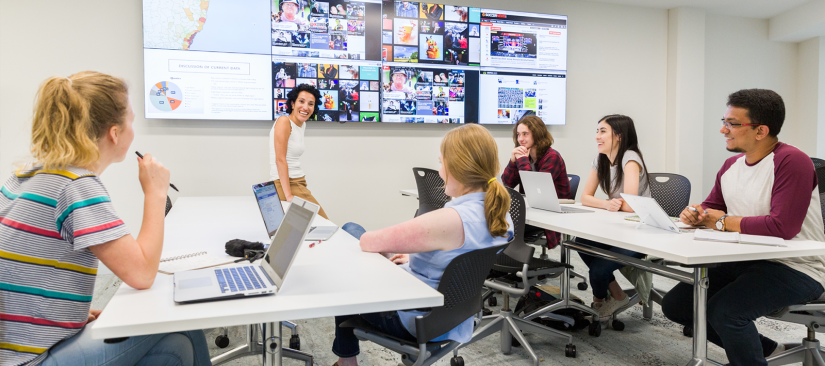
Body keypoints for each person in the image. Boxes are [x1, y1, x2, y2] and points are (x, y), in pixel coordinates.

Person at [0, 72, 211, 366]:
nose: (133, 130)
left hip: (16, 347)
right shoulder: (76, 185)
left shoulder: (26, 174)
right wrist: (156, 193)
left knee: (175, 348)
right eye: (131, 121)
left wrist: (65, 313)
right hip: (31, 361)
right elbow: (142, 275)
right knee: (179, 318)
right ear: (114, 133)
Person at [661, 89, 825, 366]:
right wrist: (695, 214)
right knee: (677, 305)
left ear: (761, 130)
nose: (723, 129)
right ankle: (764, 350)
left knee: (726, 312)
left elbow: (781, 226)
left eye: (732, 123)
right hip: (748, 258)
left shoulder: (792, 161)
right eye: (724, 120)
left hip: (797, 266)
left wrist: (721, 222)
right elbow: (712, 205)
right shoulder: (731, 165)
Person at [330, 124, 514, 366]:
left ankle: (347, 361)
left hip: (416, 319)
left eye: (441, 162)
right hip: (456, 315)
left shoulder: (450, 220)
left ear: (457, 167)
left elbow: (369, 241)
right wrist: (415, 259)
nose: (439, 171)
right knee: (355, 233)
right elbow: (459, 257)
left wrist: (387, 254)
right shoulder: (501, 214)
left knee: (351, 236)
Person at [579, 114, 651, 319]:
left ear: (618, 136)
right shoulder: (600, 159)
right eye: (597, 131)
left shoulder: (630, 158)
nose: (597, 136)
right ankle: (616, 296)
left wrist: (614, 206)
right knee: (580, 242)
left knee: (598, 270)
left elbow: (629, 206)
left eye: (603, 131)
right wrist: (606, 204)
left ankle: (601, 300)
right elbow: (585, 197)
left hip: (640, 233)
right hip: (618, 228)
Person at [501, 116, 569, 249]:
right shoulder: (526, 156)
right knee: (497, 226)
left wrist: (521, 161)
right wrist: (513, 161)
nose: (520, 139)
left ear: (537, 134)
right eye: (518, 134)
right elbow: (506, 183)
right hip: (531, 212)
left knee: (502, 230)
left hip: (548, 217)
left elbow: (535, 189)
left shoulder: (552, 157)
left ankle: (509, 265)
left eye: (525, 134)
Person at [270, 84, 329, 218]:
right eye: (301, 101)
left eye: (311, 104)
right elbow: (280, 159)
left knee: (310, 229)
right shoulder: (284, 121)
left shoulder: (302, 125)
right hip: (288, 184)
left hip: (298, 182)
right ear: (292, 103)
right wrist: (289, 195)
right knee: (324, 222)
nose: (305, 107)